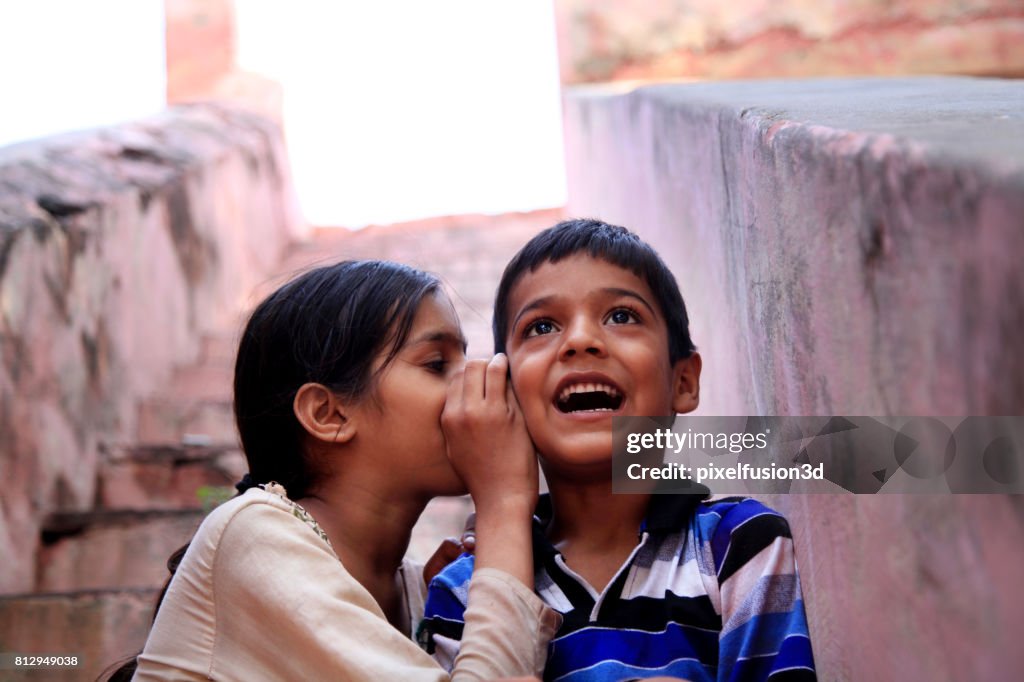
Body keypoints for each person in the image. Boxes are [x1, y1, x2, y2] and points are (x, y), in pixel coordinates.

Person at [120, 260, 559, 681]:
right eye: (437, 365)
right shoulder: (252, 533)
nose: (477, 381)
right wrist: (503, 507)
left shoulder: (414, 587)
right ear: (329, 415)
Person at [420, 220, 816, 681]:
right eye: (542, 326)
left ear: (683, 382)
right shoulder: (466, 591)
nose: (580, 340)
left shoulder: (739, 546)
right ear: (508, 395)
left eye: (622, 316)